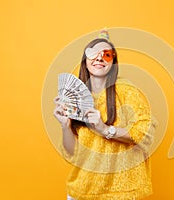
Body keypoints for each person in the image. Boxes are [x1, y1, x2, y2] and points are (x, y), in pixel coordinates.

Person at [53, 29, 155, 200]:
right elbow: (73, 154)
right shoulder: (74, 98)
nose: (99, 58)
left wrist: (105, 129)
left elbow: (144, 134)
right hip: (82, 191)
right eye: (93, 54)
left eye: (107, 55)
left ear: (113, 62)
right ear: (85, 61)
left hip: (120, 192)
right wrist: (65, 126)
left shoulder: (127, 92)